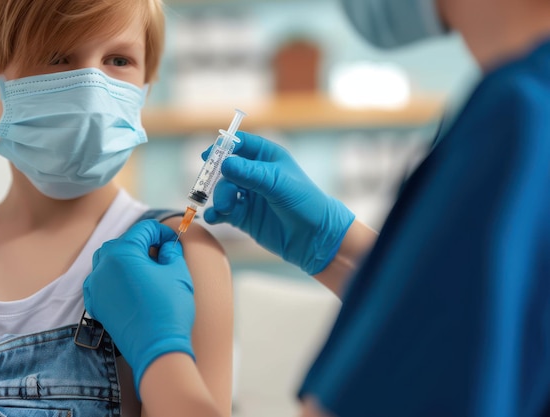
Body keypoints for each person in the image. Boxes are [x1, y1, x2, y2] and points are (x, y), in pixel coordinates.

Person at [84, 0, 550, 415]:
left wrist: (162, 355)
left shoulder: (520, 117)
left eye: (119, 60)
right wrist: (336, 246)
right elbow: (488, 335)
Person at [0, 1, 234, 416]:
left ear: (146, 86)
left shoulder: (182, 255)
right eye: (56, 57)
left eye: (119, 60)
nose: (92, 89)